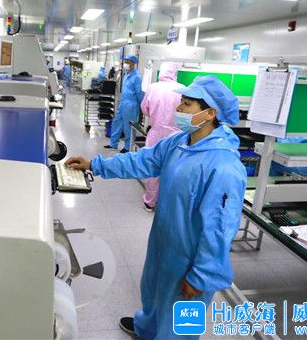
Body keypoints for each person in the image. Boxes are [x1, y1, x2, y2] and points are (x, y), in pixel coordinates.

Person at [67, 75, 247, 339]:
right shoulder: (179, 142)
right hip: (164, 243)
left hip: (191, 259)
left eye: (186, 104)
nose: (178, 109)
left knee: (181, 319)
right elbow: (142, 161)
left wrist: (201, 276)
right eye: (181, 102)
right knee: (154, 294)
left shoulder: (224, 167)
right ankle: (147, 329)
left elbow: (220, 229)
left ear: (210, 113)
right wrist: (96, 164)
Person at [140, 62, 182, 212]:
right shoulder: (182, 88)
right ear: (175, 72)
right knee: (173, 168)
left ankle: (150, 201)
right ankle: (167, 203)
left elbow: (144, 109)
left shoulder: (153, 87)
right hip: (177, 136)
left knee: (153, 167)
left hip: (156, 134)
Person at [105, 55, 144, 153]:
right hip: (123, 103)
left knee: (128, 127)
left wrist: (142, 106)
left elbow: (139, 93)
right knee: (116, 122)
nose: (125, 63)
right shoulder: (126, 74)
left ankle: (127, 147)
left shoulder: (137, 77)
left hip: (131, 105)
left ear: (133, 63)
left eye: (128, 61)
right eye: (125, 61)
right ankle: (113, 144)